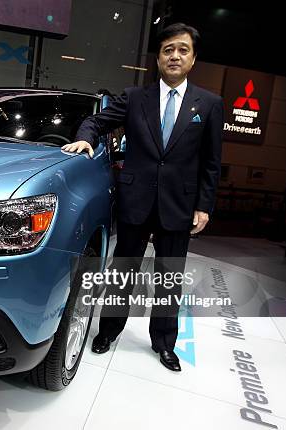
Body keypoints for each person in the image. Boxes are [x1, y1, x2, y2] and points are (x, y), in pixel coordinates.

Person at [62, 23, 223, 372]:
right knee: (123, 273)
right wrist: (86, 138)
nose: (175, 56)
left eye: (182, 49)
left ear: (193, 59)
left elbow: (212, 162)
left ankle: (164, 343)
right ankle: (108, 331)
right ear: (158, 58)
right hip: (135, 200)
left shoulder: (209, 104)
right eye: (168, 50)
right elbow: (97, 121)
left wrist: (204, 206)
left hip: (179, 205)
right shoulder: (136, 98)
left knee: (169, 279)